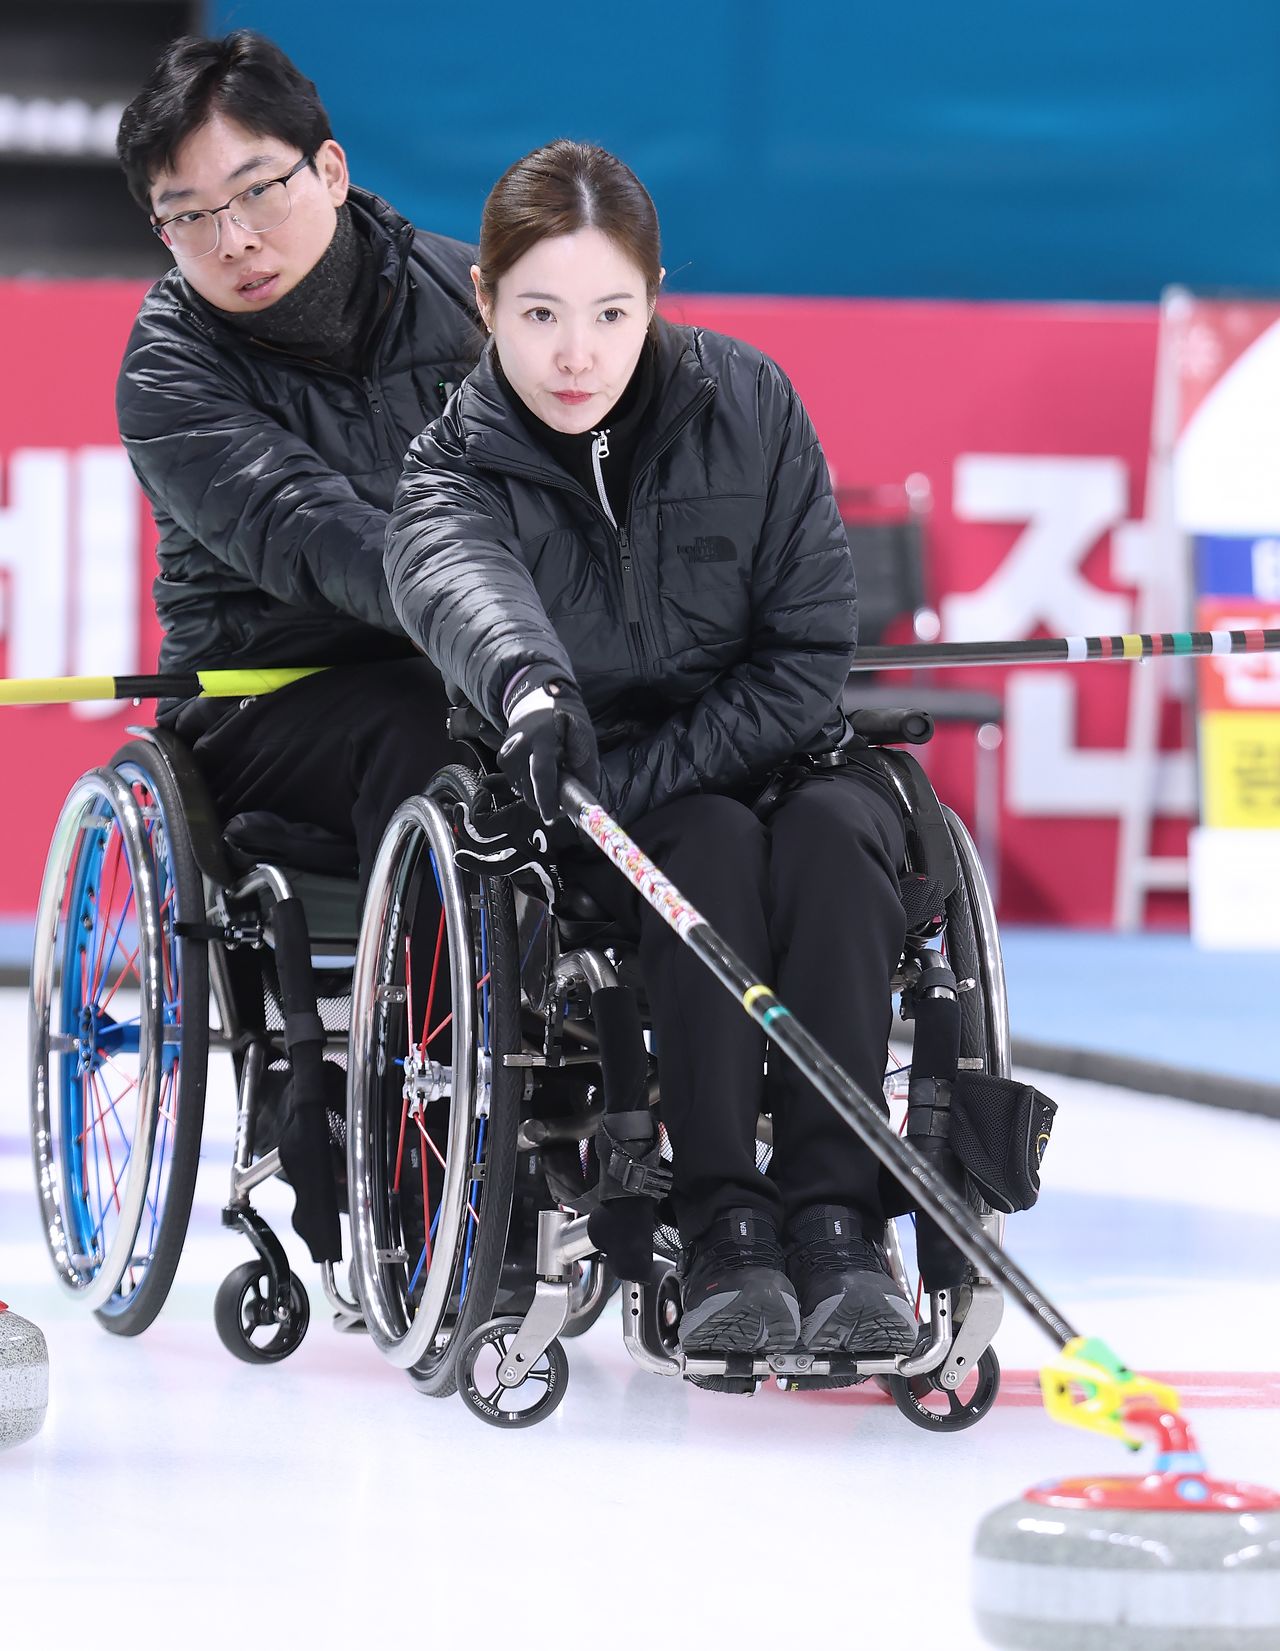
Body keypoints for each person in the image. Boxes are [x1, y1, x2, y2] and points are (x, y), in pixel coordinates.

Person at [384, 140, 918, 1362]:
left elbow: (803, 653)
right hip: (585, 784)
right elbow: (462, 589)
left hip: (765, 755)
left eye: (610, 312)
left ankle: (839, 1223)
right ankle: (725, 1219)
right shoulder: (447, 469)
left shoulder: (752, 403)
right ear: (484, 304)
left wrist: (631, 779)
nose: (576, 353)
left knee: (844, 837)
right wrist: (530, 693)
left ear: (655, 296)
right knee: (711, 846)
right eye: (540, 313)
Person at [114, 30, 479, 877]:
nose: (233, 240)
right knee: (418, 714)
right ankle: (433, 1010)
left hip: (479, 664)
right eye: (189, 216)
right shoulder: (168, 374)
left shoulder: (477, 302)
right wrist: (494, 607)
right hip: (266, 704)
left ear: (331, 170)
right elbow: (314, 533)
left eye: (257, 192)